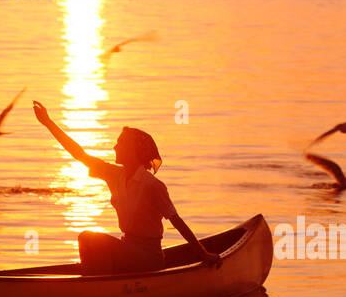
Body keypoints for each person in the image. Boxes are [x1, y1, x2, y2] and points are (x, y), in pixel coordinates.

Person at [32, 99, 221, 274]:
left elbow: (176, 221)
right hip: (127, 249)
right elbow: (79, 154)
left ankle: (98, 288)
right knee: (86, 240)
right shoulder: (114, 175)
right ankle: (95, 285)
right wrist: (48, 123)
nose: (115, 147)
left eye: (120, 143)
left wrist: (203, 254)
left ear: (133, 151)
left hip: (148, 258)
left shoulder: (153, 185)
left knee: (89, 238)